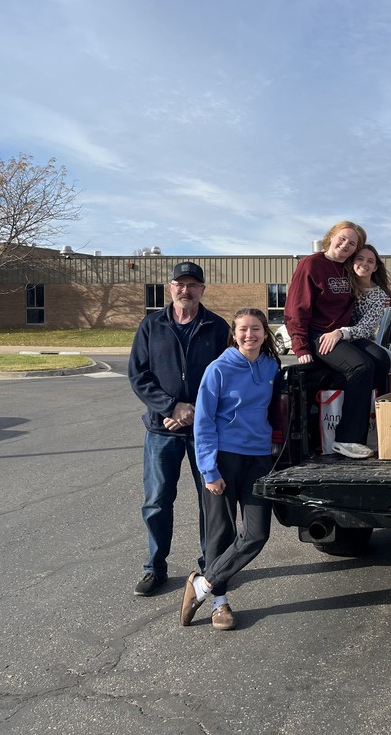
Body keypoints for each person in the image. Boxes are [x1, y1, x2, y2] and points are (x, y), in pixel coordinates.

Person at [128, 262, 230, 596]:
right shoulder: (151, 325)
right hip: (162, 430)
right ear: (170, 287)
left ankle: (211, 567)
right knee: (157, 501)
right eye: (179, 284)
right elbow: (139, 375)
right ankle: (154, 568)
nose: (185, 290)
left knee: (210, 501)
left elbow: (227, 378)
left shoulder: (217, 327)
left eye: (192, 285)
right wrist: (171, 406)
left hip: (205, 432)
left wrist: (195, 411)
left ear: (203, 289)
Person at [180, 308, 282, 630]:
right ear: (234, 334)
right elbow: (204, 422)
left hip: (258, 459)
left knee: (257, 534)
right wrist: (208, 470)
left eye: (256, 329)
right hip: (223, 458)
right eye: (243, 330)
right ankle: (219, 604)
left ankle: (202, 584)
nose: (249, 335)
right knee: (220, 534)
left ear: (265, 334)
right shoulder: (218, 369)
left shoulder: (271, 367)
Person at [283, 221, 379, 460]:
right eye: (343, 238)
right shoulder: (311, 264)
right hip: (318, 335)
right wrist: (301, 346)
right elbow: (296, 308)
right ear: (331, 236)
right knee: (360, 366)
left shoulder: (347, 267)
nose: (345, 245)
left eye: (352, 243)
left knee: (379, 360)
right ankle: (347, 439)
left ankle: (379, 429)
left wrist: (380, 298)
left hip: (340, 334)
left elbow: (366, 283)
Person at [334, 243, 391, 394]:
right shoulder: (343, 285)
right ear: (352, 262)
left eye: (370, 261)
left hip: (361, 338)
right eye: (360, 259)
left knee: (386, 359)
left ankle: (381, 401)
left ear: (375, 267)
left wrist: (341, 333)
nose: (364, 264)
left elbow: (366, 327)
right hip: (338, 337)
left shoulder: (379, 296)